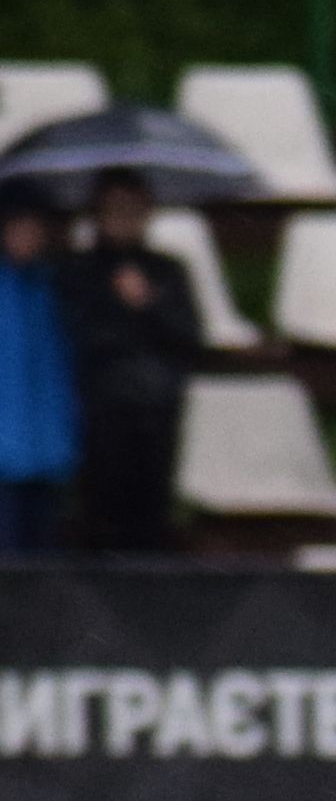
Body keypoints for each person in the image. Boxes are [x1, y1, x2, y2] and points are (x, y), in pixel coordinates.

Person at [56, 170, 202, 554]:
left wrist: (146, 306)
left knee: (151, 519)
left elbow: (188, 337)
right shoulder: (77, 270)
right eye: (115, 210)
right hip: (99, 412)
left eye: (134, 210)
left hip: (155, 411)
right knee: (100, 519)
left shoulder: (168, 270)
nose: (125, 219)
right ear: (98, 214)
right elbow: (79, 335)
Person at [0, 199, 74, 553]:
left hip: (47, 452)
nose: (27, 237)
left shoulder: (54, 286)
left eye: (34, 228)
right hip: (6, 455)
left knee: (41, 562)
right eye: (18, 227)